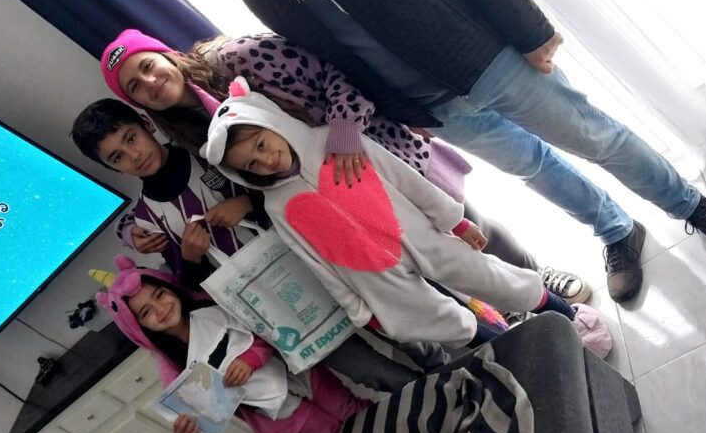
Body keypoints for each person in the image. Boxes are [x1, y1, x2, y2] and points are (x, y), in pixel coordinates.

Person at [146, 0, 706, 302]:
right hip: (434, 107)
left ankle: (690, 207)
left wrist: (527, 27)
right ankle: (616, 230)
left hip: (489, 58)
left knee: (595, 138)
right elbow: (336, 57)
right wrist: (400, 109)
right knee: (534, 168)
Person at [100, 28, 591, 304]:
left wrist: (341, 138)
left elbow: (336, 77)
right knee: (431, 258)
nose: (151, 82)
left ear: (162, 53)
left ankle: (539, 276)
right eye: (136, 87)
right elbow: (247, 174)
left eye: (147, 66)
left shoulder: (239, 56)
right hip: (332, 195)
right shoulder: (186, 131)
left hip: (368, 146)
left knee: (461, 219)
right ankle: (519, 303)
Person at [70, 97, 444, 391]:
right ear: (111, 167)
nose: (134, 155)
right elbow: (189, 285)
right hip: (281, 305)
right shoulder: (147, 221)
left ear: (147, 124)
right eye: (118, 156)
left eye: (131, 138)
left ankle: (452, 368)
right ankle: (437, 403)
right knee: (365, 368)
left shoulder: (206, 151)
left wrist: (248, 203)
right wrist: (190, 257)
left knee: (401, 325)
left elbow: (284, 174)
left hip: (322, 260)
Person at [202, 76, 585, 348]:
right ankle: (519, 353)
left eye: (262, 144)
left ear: (273, 123)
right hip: (375, 276)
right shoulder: (277, 206)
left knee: (494, 278)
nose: (266, 161)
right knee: (441, 323)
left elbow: (407, 181)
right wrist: (358, 310)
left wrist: (456, 221)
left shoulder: (334, 143)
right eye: (252, 165)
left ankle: (569, 317)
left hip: (424, 237)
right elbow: (316, 261)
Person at [91, 255, 369, 433]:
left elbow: (263, 328)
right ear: (139, 328)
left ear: (170, 288)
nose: (159, 309)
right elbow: (203, 417)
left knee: (354, 411)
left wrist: (251, 359)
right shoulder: (170, 367)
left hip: (303, 375)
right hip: (280, 414)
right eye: (145, 312)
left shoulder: (209, 306)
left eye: (159, 295)